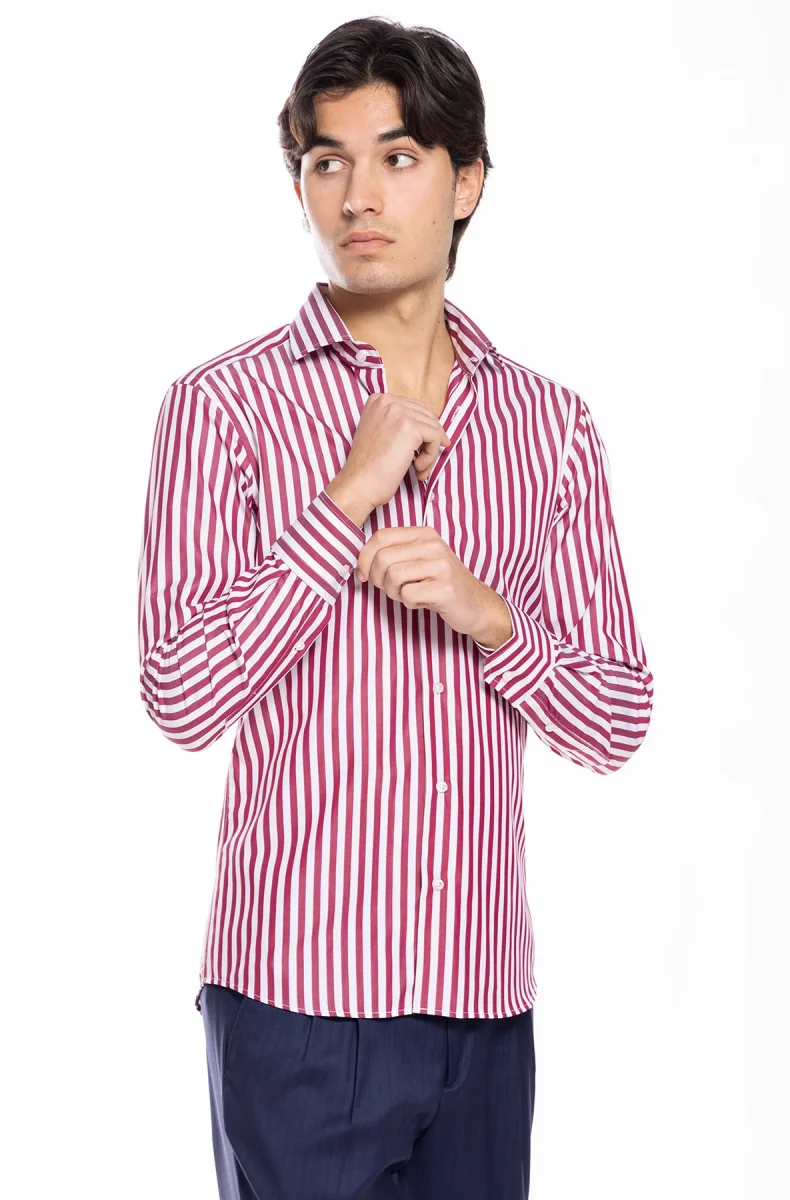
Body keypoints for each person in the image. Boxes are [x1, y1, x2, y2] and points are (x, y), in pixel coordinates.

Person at [136, 15, 654, 1200]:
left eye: (398, 157)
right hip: (296, 1004)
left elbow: (617, 717)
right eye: (327, 161)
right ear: (301, 185)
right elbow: (180, 695)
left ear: (466, 183)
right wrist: (342, 504)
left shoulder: (546, 425)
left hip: (483, 1007)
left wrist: (491, 620)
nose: (357, 195)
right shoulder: (221, 408)